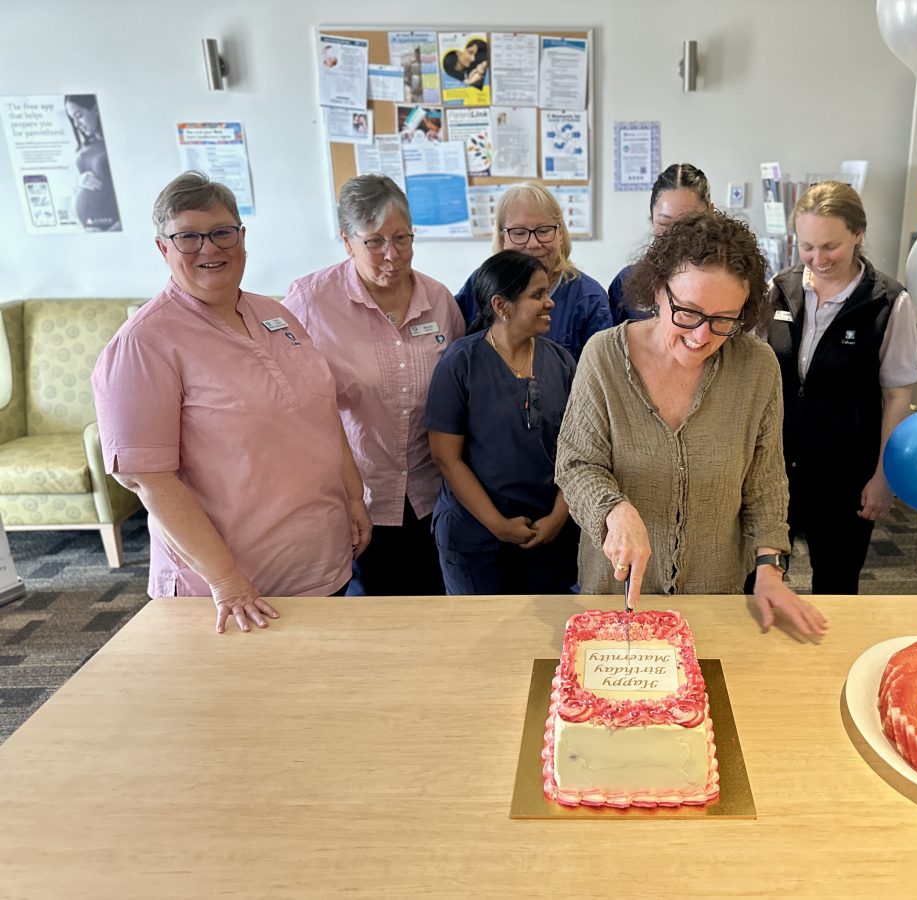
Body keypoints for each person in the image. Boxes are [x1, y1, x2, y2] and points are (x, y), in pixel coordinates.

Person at [91, 172, 372, 634]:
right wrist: (227, 582)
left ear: (242, 237)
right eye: (188, 237)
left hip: (321, 565)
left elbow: (322, 412)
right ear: (163, 248)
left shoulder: (276, 313)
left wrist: (352, 496)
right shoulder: (144, 344)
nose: (210, 248)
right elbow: (148, 479)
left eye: (222, 232)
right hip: (237, 594)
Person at [556, 211, 828, 639]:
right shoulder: (604, 357)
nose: (703, 336)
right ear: (657, 290)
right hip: (620, 595)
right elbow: (575, 465)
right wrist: (614, 509)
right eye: (689, 312)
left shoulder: (755, 368)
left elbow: (765, 482)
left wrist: (769, 568)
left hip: (714, 596)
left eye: (724, 319)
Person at [283, 175, 464, 596]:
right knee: (370, 620)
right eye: (375, 241)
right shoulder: (309, 302)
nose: (392, 254)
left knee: (435, 614)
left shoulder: (439, 300)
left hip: (431, 495)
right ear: (347, 241)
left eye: (402, 238)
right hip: (355, 497)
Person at [764, 181, 917, 595]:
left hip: (846, 474)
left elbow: (896, 395)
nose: (818, 259)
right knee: (757, 580)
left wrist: (884, 477)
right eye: (807, 246)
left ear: (857, 233)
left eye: (830, 246)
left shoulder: (888, 302)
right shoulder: (781, 288)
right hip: (778, 471)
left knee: (836, 587)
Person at [427, 250, 579, 594]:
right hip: (476, 538)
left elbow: (580, 448)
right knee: (482, 640)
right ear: (501, 305)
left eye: (548, 293)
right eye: (537, 295)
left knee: (542, 639)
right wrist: (498, 525)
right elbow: (445, 458)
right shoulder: (460, 363)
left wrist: (558, 517)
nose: (550, 303)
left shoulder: (561, 362)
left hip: (549, 535)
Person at [455, 182, 611, 360]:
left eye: (544, 231)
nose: (533, 244)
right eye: (519, 233)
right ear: (502, 239)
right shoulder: (479, 284)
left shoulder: (589, 298)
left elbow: (600, 374)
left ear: (560, 235)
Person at [608, 163, 713, 325]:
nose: (678, 235)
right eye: (665, 225)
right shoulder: (627, 282)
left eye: (690, 223)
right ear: (652, 219)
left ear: (710, 214)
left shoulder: (732, 278)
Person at [64, 94, 120, 232]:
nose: (76, 124)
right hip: (91, 231)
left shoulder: (115, 144)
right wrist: (80, 181)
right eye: (73, 119)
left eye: (79, 115)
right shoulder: (86, 146)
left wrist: (113, 230)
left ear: (95, 109)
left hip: (112, 229)